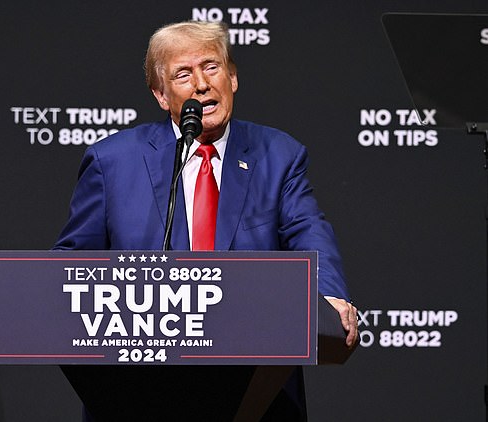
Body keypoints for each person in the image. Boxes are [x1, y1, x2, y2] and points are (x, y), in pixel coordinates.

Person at [54, 20, 357, 421]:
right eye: (183, 74)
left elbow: (309, 232)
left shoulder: (279, 155)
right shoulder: (112, 162)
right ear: (161, 95)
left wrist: (327, 298)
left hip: (257, 396)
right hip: (139, 393)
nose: (201, 85)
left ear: (232, 77)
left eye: (211, 67)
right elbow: (70, 268)